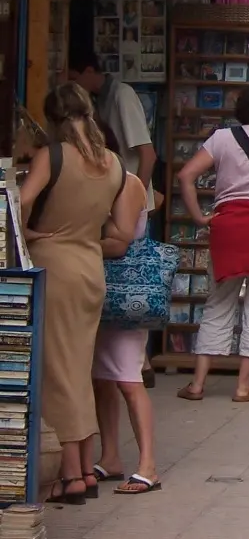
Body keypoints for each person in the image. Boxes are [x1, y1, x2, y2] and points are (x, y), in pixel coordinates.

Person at [19, 84, 133, 503]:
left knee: (58, 373)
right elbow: (118, 228)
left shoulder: (54, 155)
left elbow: (22, 200)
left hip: (56, 263)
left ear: (52, 118)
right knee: (79, 368)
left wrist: (29, 231)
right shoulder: (113, 162)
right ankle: (84, 467)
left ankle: (69, 473)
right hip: (90, 267)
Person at [175, 84, 249, 403]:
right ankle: (244, 387)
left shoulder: (221, 138)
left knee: (219, 301)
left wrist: (199, 217)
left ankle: (198, 384)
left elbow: (185, 175)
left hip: (227, 227)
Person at [91, 128, 159, 496]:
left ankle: (148, 463)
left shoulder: (128, 183)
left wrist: (76, 238)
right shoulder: (103, 181)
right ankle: (111, 456)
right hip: (102, 289)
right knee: (102, 378)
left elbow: (120, 242)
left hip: (125, 291)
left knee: (128, 378)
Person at [68, 50, 156, 194]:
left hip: (130, 194)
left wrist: (137, 198)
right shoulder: (99, 99)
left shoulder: (122, 95)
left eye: (74, 79)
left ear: (89, 71)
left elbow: (148, 154)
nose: (73, 85)